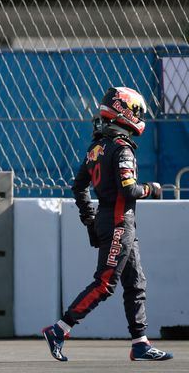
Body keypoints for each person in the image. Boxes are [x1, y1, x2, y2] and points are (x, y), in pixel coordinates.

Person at [42, 87, 173, 362]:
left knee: (136, 283)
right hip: (118, 223)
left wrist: (90, 222)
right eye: (136, 111)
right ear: (124, 111)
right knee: (104, 284)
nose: (138, 116)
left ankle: (140, 344)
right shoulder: (122, 149)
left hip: (113, 222)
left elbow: (78, 188)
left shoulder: (96, 149)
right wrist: (153, 188)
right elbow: (129, 190)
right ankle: (59, 329)